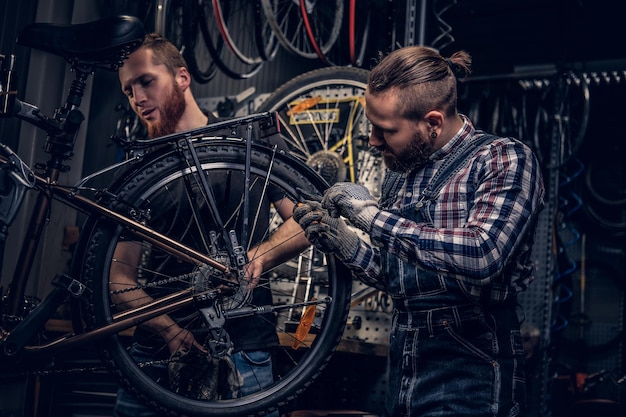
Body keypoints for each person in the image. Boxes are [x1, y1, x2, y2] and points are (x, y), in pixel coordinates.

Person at [292, 46, 545, 417]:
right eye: (372, 126)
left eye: (386, 130)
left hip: (470, 363)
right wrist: (343, 242)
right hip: (405, 357)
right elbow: (399, 277)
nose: (374, 141)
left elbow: (482, 254)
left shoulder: (503, 160)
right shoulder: (402, 172)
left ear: (433, 123)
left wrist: (368, 216)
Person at [110, 33, 304, 416]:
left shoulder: (247, 141)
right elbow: (119, 276)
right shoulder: (139, 170)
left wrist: (258, 258)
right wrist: (168, 330)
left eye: (146, 81)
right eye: (129, 90)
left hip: (244, 348)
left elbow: (305, 219)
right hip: (154, 358)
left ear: (182, 77)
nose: (137, 98)